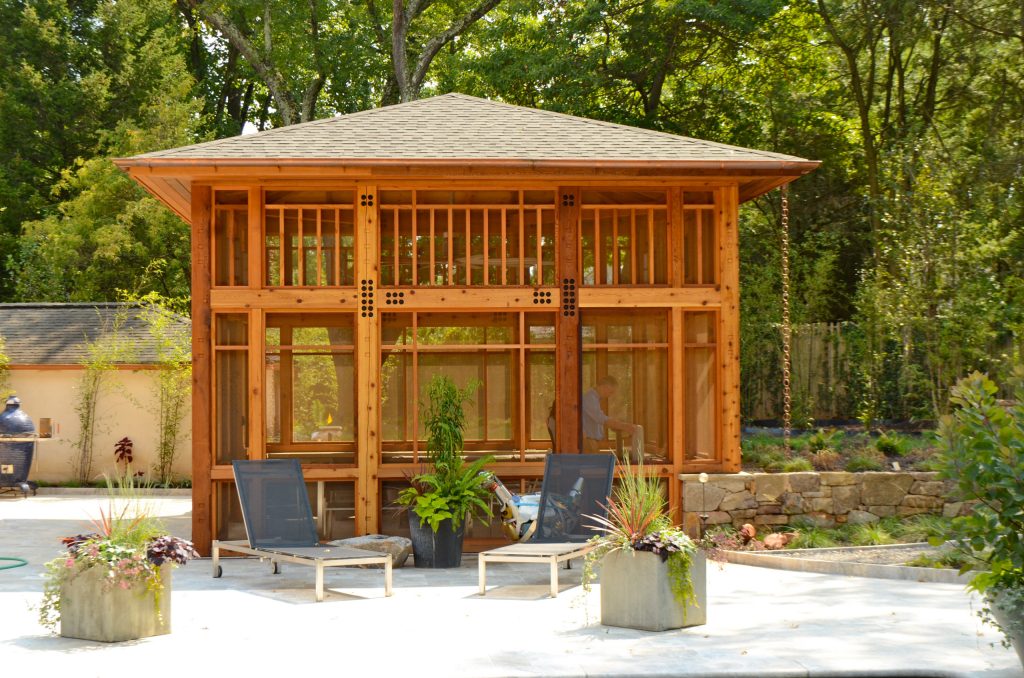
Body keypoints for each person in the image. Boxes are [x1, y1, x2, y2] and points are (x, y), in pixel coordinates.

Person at [582, 375, 637, 453]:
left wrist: (616, 424)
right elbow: (601, 419)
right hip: (588, 441)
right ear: (604, 387)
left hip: (591, 441)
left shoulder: (594, 398)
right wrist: (624, 426)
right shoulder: (590, 398)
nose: (610, 395)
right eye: (611, 392)